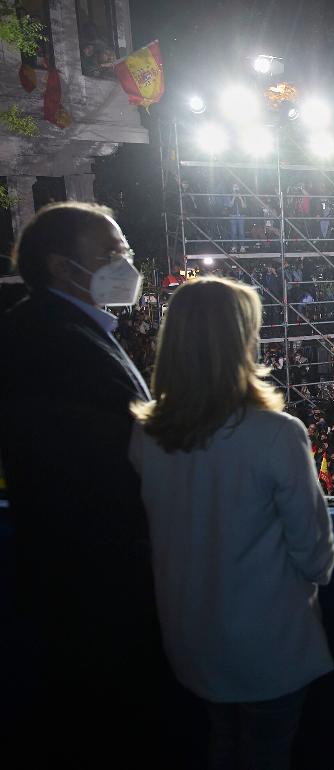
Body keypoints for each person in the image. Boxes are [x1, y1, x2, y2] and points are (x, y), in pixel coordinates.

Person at [130, 276, 334, 769]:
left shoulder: (144, 435)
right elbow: (317, 558)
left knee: (218, 750)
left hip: (188, 641)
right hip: (268, 648)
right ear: (241, 340)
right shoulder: (277, 435)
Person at [0, 202, 175, 763]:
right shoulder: (48, 342)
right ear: (60, 267)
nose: (125, 263)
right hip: (94, 591)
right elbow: (85, 470)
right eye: (111, 253)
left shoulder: (63, 328)